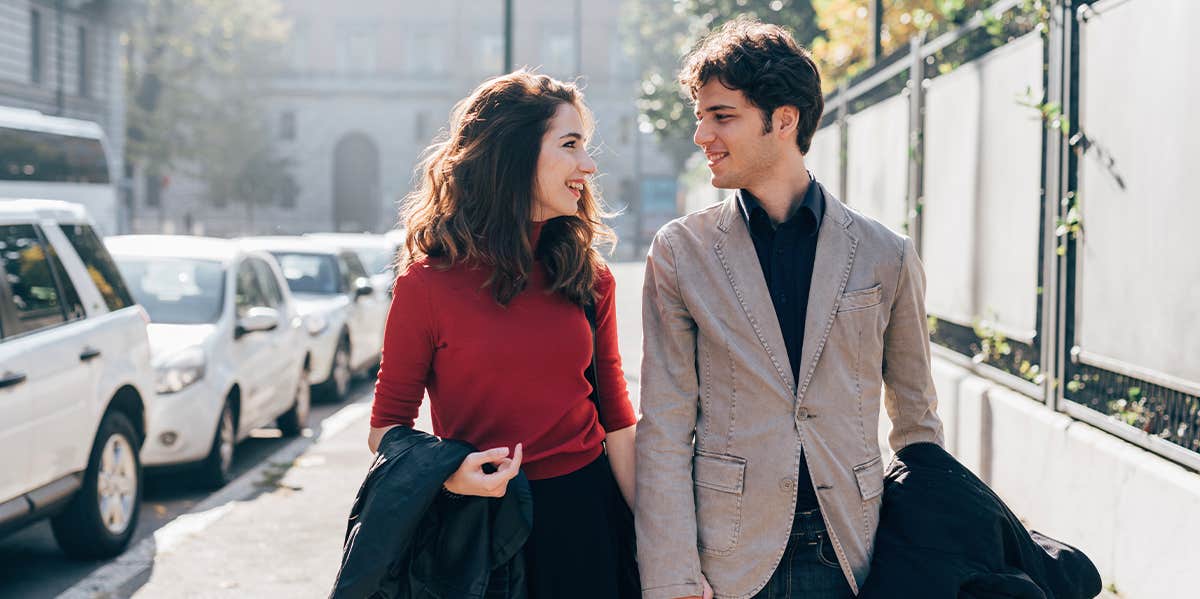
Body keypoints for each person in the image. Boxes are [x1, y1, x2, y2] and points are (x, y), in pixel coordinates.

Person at [635, 17, 944, 599]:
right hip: (728, 556)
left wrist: (926, 555)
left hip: (856, 552)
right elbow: (666, 427)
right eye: (699, 117)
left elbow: (918, 426)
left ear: (784, 120)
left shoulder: (887, 254)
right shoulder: (681, 253)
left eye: (721, 116)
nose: (702, 135)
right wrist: (672, 575)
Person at [367, 70, 639, 598]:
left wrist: (658, 542)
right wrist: (450, 474)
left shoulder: (589, 277)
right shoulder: (427, 284)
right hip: (478, 532)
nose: (588, 163)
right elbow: (386, 427)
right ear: (513, 153)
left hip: (586, 519)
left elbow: (617, 421)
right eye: (570, 144)